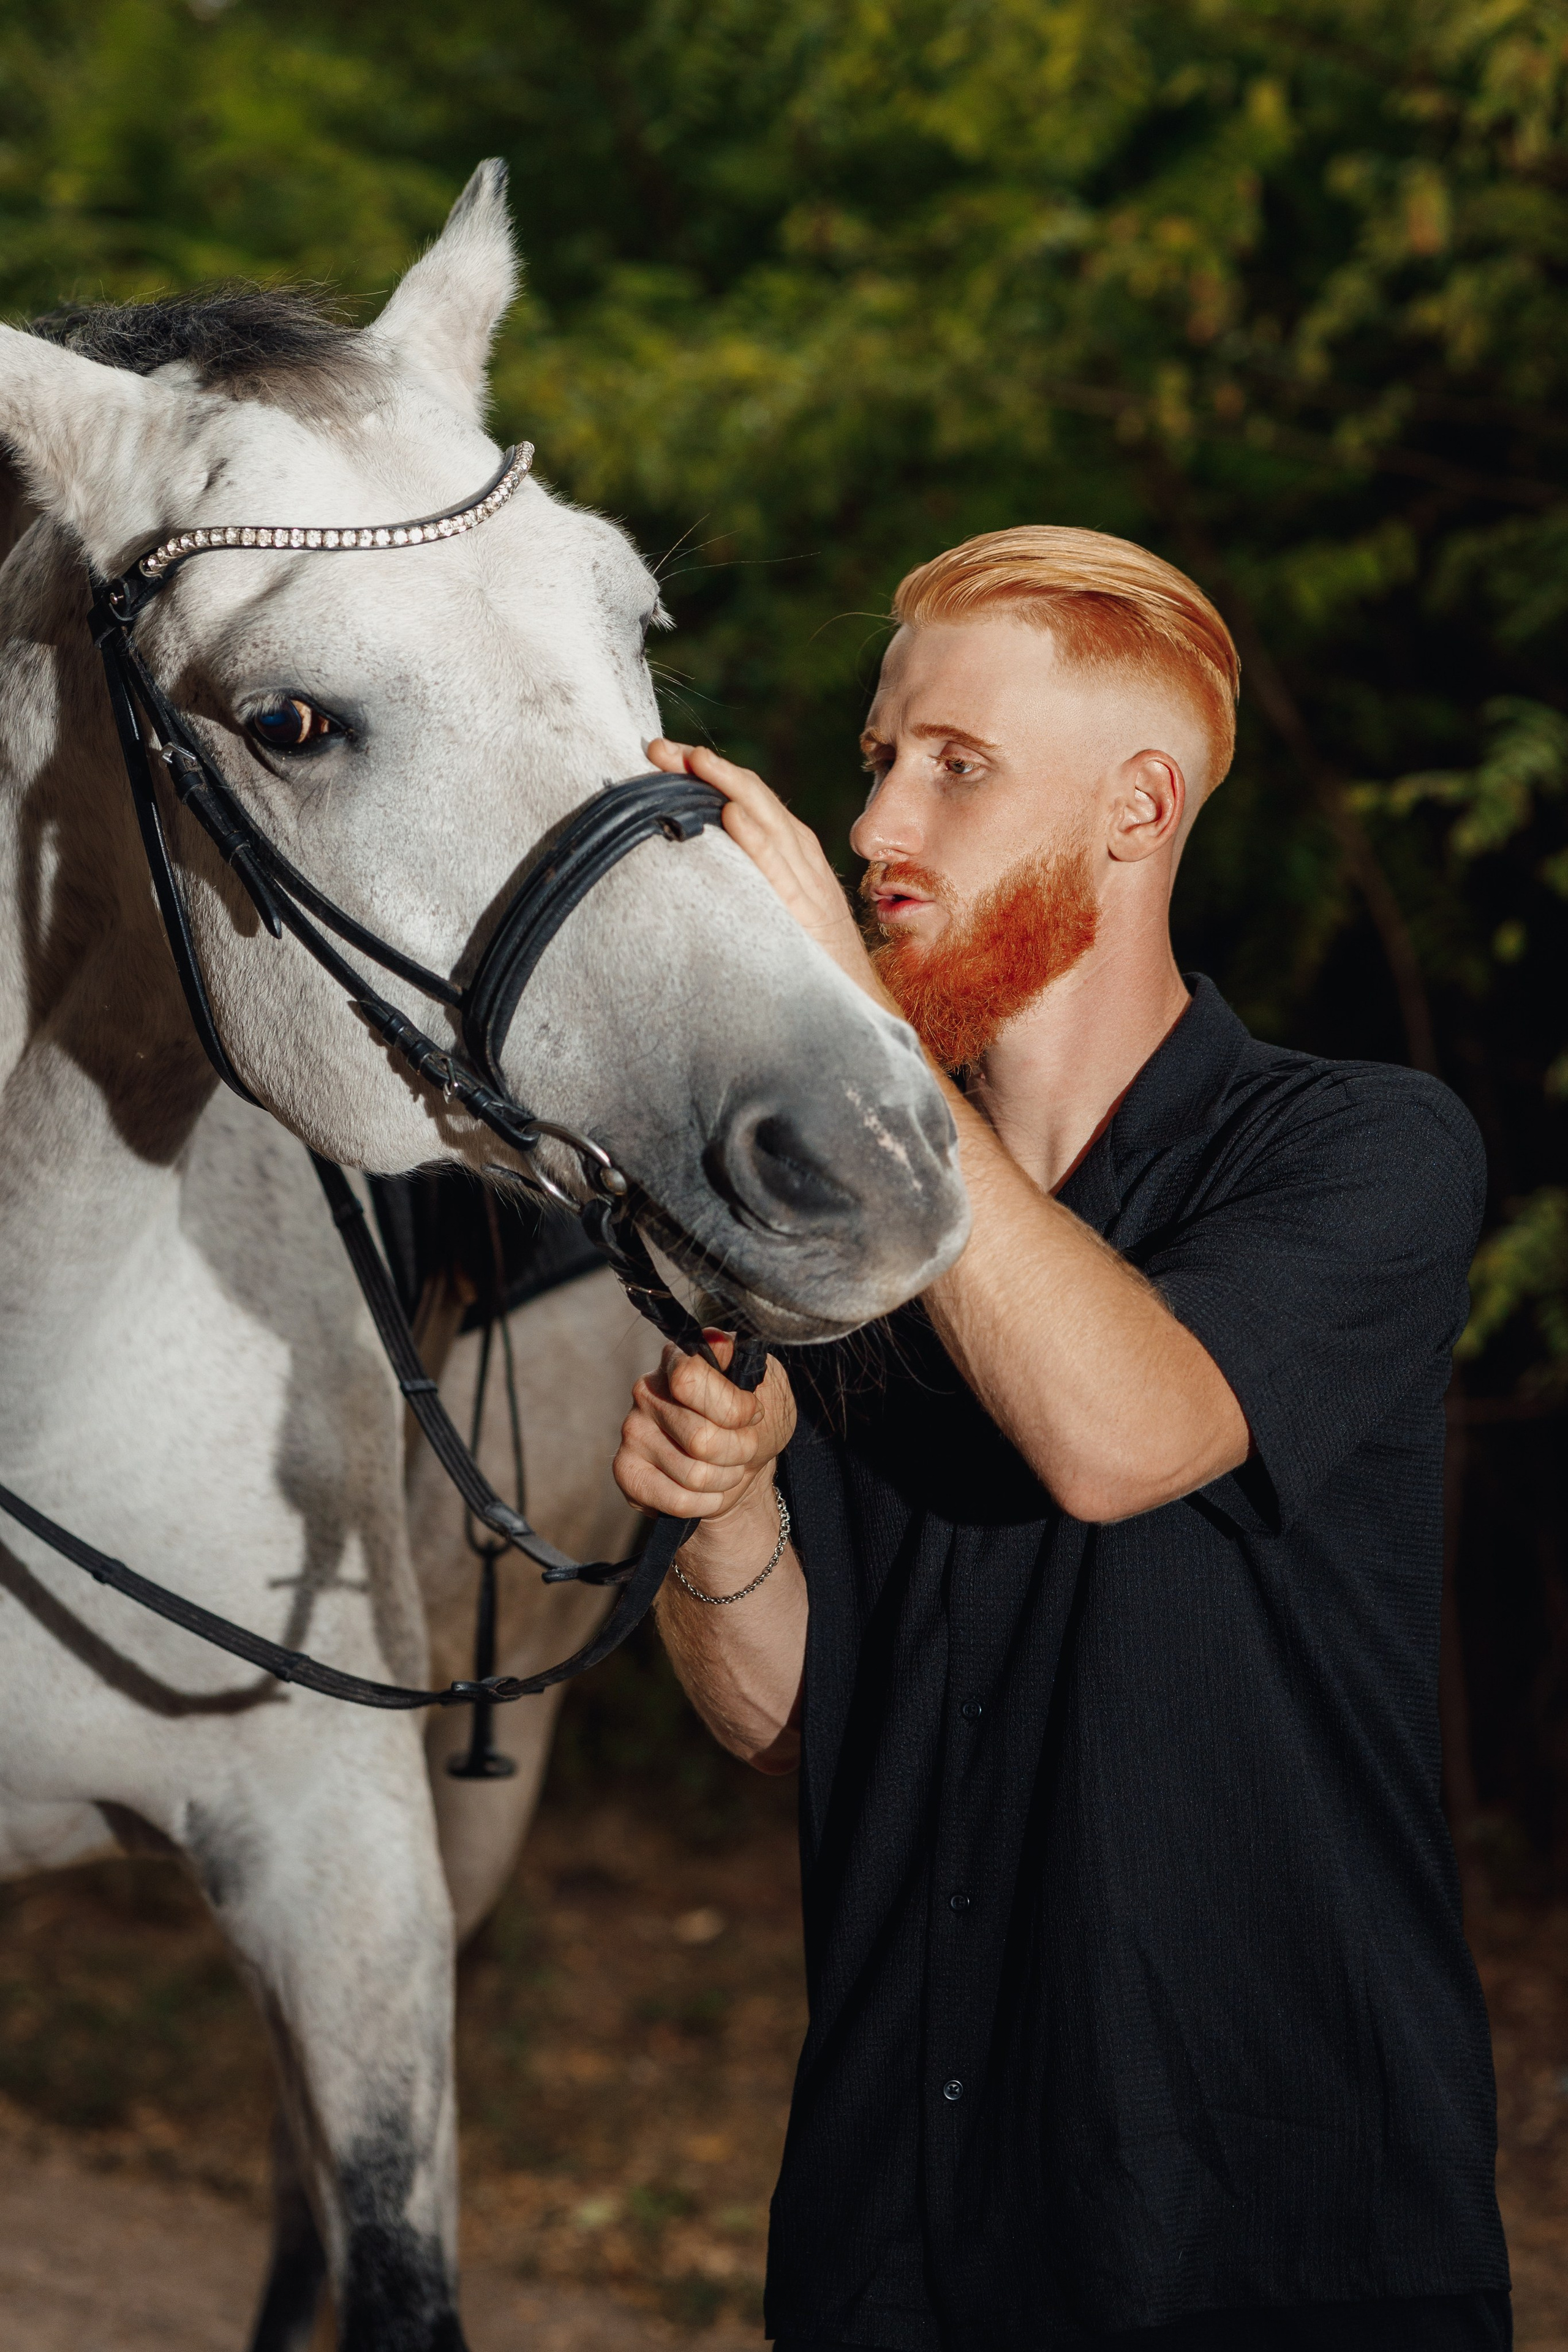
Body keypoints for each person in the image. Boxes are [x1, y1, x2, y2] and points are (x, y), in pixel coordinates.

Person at [613, 528, 1510, 2352]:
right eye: (879, 764)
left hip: (1267, 2255)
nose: (876, 831)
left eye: (957, 766)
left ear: (1138, 809)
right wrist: (724, 1515)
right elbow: (790, 1727)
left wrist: (864, 1049)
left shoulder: (1365, 1150)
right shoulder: (844, 1229)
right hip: (893, 2248)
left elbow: (1125, 1433)